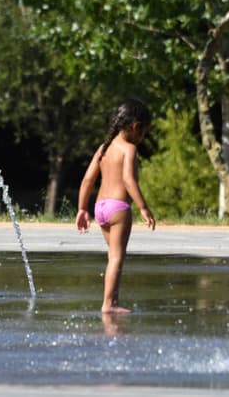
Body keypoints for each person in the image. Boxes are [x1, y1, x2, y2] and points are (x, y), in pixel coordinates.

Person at [76, 98, 156, 314]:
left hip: (100, 208)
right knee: (117, 257)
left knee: (113, 256)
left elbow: (86, 181)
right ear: (135, 127)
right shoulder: (128, 149)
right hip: (119, 209)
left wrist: (82, 209)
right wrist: (143, 207)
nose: (142, 138)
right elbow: (129, 180)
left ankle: (113, 299)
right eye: (143, 133)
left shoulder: (103, 148)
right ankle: (109, 304)